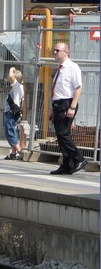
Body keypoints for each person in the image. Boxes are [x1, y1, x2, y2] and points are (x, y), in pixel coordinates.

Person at [49, 42, 86, 175]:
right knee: (60, 135)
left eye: (57, 50)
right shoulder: (60, 68)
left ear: (66, 52)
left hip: (67, 104)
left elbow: (78, 88)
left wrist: (72, 107)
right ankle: (67, 164)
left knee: (63, 134)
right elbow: (57, 90)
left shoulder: (72, 67)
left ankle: (78, 158)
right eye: (54, 50)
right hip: (58, 104)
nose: (54, 52)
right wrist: (52, 109)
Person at [3, 67, 24, 160]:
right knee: (13, 131)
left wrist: (11, 68)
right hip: (15, 112)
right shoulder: (19, 87)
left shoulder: (17, 86)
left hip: (11, 112)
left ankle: (19, 151)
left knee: (10, 132)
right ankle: (13, 153)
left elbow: (11, 76)